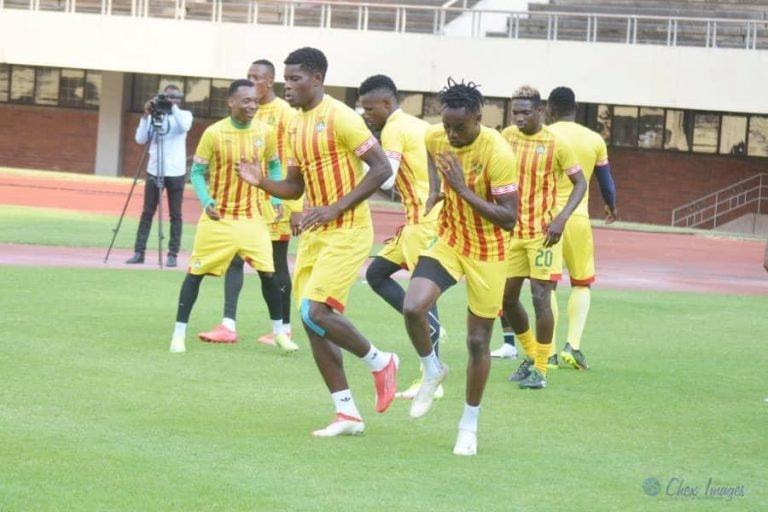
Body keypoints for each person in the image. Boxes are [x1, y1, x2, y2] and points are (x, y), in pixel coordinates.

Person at [236, 47, 399, 437]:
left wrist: (333, 208)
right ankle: (347, 414)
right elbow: (296, 186)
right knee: (313, 324)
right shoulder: (293, 125)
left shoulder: (341, 117)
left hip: (349, 230)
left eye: (294, 79)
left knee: (315, 312)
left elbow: (382, 169)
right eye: (286, 80)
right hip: (315, 233)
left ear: (317, 79)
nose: (287, 87)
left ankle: (381, 361)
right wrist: (262, 183)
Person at [401, 79, 518, 456]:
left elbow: (509, 218)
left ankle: (469, 423)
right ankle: (432, 370)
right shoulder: (435, 137)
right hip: (451, 239)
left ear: (478, 118)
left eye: (459, 128)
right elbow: (436, 160)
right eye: (447, 125)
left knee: (477, 341)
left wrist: (462, 188)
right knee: (413, 306)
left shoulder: (498, 153)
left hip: (489, 251)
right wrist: (437, 190)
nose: (450, 134)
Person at [168, 79, 289, 354]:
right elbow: (197, 172)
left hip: (252, 218)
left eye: (255, 101)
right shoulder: (214, 133)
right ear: (231, 102)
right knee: (194, 274)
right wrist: (206, 201)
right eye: (246, 101)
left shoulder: (265, 132)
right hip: (218, 218)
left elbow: (274, 164)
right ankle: (178, 335)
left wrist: (276, 196)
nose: (252, 105)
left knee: (270, 275)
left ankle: (280, 333)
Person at [197, 59, 300, 351]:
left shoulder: (285, 113)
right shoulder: (244, 107)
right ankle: (228, 325)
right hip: (244, 200)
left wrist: (289, 203)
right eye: (248, 76)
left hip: (274, 197)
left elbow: (290, 158)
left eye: (257, 78)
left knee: (276, 264)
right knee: (234, 258)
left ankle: (284, 329)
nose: (251, 81)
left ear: (270, 82)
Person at [357, 74, 444, 400]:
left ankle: (430, 377)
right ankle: (433, 335)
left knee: (422, 300)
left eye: (369, 108)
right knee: (377, 273)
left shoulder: (394, 128)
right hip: (421, 220)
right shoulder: (416, 124)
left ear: (387, 103)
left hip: (425, 222)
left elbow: (386, 179)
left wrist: (358, 158)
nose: (366, 114)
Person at [501, 85, 587, 390]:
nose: (520, 117)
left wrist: (561, 220)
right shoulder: (506, 136)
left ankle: (541, 368)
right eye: (516, 112)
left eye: (526, 112)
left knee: (540, 297)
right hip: (512, 232)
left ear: (541, 111)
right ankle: (530, 354)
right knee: (506, 298)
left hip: (543, 234)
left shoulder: (556, 143)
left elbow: (580, 183)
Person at [547, 86, 617, 370]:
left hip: (547, 220)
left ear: (550, 109)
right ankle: (573, 346)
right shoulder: (594, 139)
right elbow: (606, 181)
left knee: (546, 285)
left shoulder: (544, 136)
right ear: (575, 108)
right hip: (577, 219)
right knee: (581, 282)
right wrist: (612, 206)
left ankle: (548, 353)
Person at [126, 84, 193, 267]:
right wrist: (146, 115)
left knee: (176, 214)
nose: (170, 100)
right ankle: (139, 252)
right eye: (166, 97)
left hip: (176, 172)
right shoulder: (155, 115)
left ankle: (172, 254)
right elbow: (140, 139)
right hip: (154, 170)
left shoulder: (184, 115)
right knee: (147, 212)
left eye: (174, 97)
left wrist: (172, 107)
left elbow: (185, 126)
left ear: (179, 99)